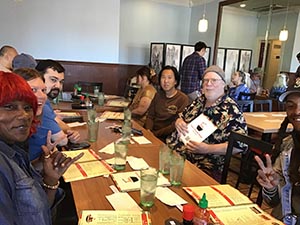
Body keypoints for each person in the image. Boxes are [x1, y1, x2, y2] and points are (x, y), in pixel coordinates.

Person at [0, 71, 83, 225]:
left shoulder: (15, 152)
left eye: (27, 107)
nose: (23, 115)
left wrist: (51, 179)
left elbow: (41, 213)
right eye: (9, 107)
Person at [166, 65, 248, 182]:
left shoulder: (231, 110)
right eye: (205, 80)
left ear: (223, 84)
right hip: (176, 154)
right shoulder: (199, 101)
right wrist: (178, 122)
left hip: (203, 166)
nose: (208, 84)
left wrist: (208, 148)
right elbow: (181, 116)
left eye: (214, 80)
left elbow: (239, 146)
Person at [255, 77, 300, 225]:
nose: (297, 111)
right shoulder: (288, 147)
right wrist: (271, 187)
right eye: (291, 106)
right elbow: (274, 202)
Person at [14, 68, 75, 162]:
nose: (42, 96)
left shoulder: (36, 115)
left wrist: (45, 157)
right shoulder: (10, 129)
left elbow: (27, 168)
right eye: (33, 90)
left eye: (43, 90)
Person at [35, 59, 80, 145]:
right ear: (39, 78)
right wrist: (68, 136)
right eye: (53, 80)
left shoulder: (45, 101)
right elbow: (62, 141)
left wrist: (70, 131)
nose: (58, 86)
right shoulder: (40, 104)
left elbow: (57, 121)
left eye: (61, 82)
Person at [145, 66, 189, 142]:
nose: (166, 81)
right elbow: (150, 116)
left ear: (175, 81)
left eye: (169, 78)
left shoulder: (183, 99)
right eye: (163, 77)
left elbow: (174, 125)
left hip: (167, 138)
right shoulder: (158, 95)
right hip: (151, 133)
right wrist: (148, 131)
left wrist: (155, 134)